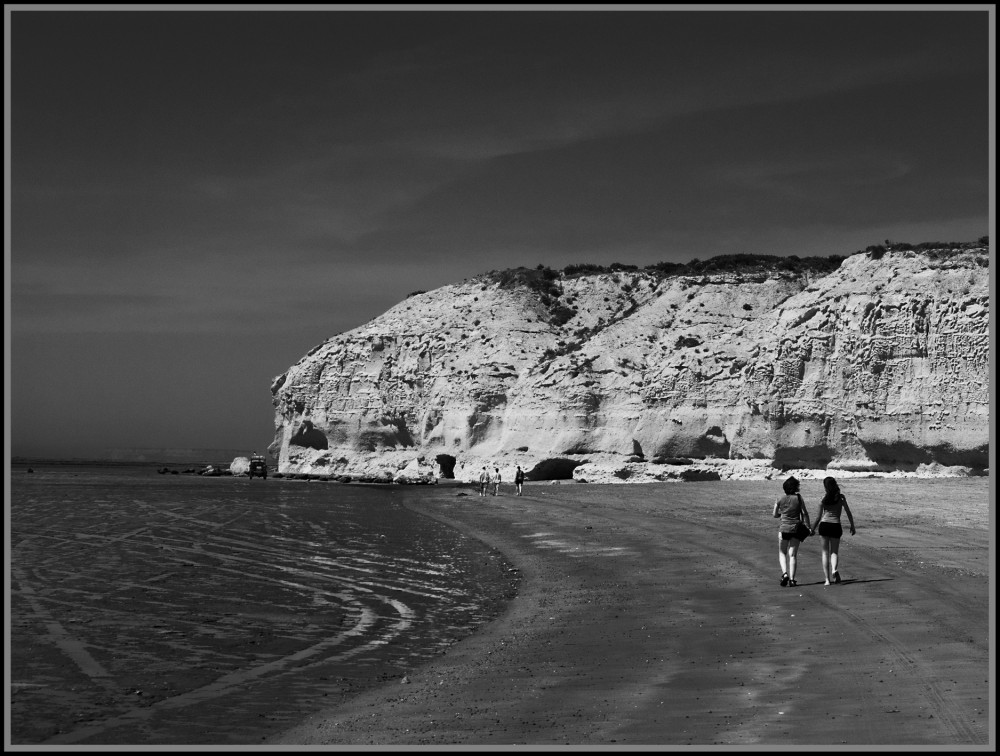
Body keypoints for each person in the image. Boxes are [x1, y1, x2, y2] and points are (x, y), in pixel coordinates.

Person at [811, 476, 856, 585]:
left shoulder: (823, 499)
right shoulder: (841, 498)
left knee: (825, 553)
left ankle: (827, 580)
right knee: (834, 552)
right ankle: (834, 570)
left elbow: (818, 517)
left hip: (824, 525)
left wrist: (812, 529)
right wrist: (852, 525)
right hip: (836, 525)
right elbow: (848, 512)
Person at [772, 476, 811, 587]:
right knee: (793, 555)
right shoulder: (798, 498)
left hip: (783, 528)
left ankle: (785, 574)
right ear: (795, 487)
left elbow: (774, 514)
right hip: (796, 529)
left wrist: (782, 514)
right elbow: (805, 513)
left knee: (782, 553)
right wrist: (808, 527)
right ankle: (792, 580)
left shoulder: (779, 498)